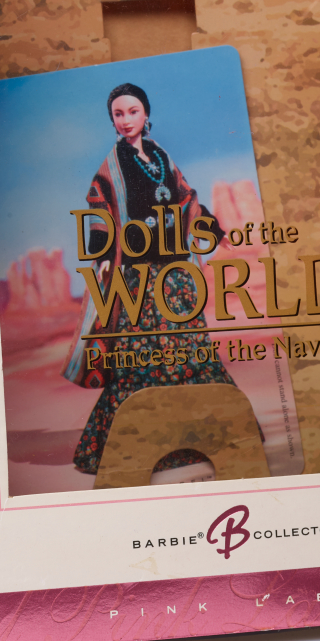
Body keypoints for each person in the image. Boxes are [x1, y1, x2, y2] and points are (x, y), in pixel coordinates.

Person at [69, 82, 230, 476]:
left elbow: (185, 198)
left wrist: (214, 229)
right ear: (112, 120)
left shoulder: (160, 156)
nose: (126, 120)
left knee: (191, 349)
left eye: (132, 112)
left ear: (146, 114)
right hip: (138, 277)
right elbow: (99, 212)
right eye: (118, 114)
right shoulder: (110, 168)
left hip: (176, 273)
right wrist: (102, 258)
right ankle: (130, 443)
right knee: (141, 358)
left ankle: (203, 435)